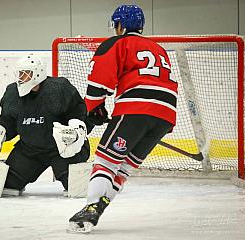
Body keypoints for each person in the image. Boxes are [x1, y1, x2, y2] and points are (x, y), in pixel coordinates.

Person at [68, 4, 178, 233]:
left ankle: (90, 208)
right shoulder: (158, 48)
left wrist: (94, 107)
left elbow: (99, 80)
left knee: (106, 161)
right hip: (166, 114)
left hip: (136, 108)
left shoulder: (117, 43)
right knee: (124, 166)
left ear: (120, 25)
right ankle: (99, 206)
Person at [0, 54, 92, 197]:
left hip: (61, 150)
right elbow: (8, 121)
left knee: (80, 187)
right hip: (29, 150)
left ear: (38, 73)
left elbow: (80, 115)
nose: (21, 78)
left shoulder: (59, 89)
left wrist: (75, 131)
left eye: (26, 73)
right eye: (20, 73)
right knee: (2, 184)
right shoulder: (13, 93)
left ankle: (101, 174)